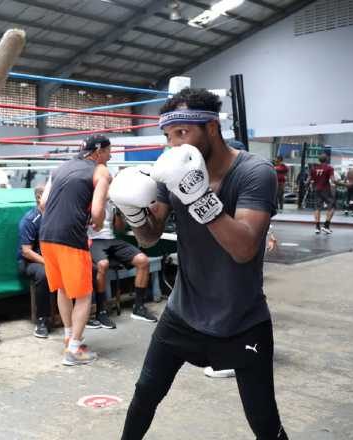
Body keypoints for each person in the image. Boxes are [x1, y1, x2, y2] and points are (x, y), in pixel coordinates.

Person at [111, 87, 287, 439]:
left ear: (210, 128)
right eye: (168, 136)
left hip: (242, 320)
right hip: (182, 314)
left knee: (265, 423)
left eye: (182, 133)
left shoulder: (255, 173)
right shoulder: (171, 174)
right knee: (144, 395)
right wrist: (132, 212)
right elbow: (149, 237)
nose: (175, 144)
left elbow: (244, 248)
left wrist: (199, 196)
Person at [39, 134, 111, 366]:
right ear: (98, 152)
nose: (110, 156)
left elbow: (43, 203)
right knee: (83, 295)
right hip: (70, 236)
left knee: (62, 288)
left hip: (47, 234)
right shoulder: (100, 171)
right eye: (109, 152)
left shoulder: (60, 168)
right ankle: (74, 351)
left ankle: (69, 337)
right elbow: (99, 211)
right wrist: (97, 223)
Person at [86, 198, 157, 330]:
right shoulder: (91, 199)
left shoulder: (112, 202)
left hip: (111, 240)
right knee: (102, 264)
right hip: (94, 240)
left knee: (143, 260)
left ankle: (139, 307)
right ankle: (100, 312)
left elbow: (120, 228)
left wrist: (117, 210)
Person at [17, 185, 53, 338]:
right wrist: (48, 262)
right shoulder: (30, 219)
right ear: (40, 198)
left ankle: (94, 313)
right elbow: (26, 251)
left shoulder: (55, 216)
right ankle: (41, 321)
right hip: (30, 262)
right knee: (44, 274)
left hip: (51, 258)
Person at [306, 153, 338, 234]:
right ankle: (326, 226)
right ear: (326, 159)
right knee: (332, 206)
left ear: (319, 160)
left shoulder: (313, 169)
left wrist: (307, 183)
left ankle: (317, 227)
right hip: (326, 190)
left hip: (316, 189)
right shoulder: (329, 168)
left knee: (317, 208)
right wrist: (343, 184)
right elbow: (333, 180)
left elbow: (308, 180)